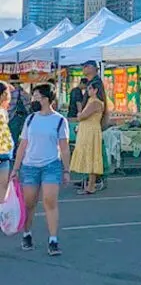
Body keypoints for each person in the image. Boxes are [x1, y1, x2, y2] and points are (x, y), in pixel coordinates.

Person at [10, 83, 70, 256]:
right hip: (30, 166)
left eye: (37, 97)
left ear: (47, 99)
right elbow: (23, 145)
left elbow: (64, 147)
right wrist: (16, 167)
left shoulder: (59, 120)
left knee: (50, 201)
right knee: (29, 203)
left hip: (51, 165)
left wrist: (66, 170)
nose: (34, 100)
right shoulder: (30, 119)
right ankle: (27, 234)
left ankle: (53, 240)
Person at [69, 80, 104, 194]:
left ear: (95, 90)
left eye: (90, 89)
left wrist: (80, 115)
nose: (88, 91)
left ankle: (91, 185)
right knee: (89, 155)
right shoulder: (91, 101)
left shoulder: (95, 102)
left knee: (91, 156)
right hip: (87, 130)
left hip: (91, 131)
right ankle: (89, 184)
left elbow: (82, 116)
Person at [7, 73, 29, 151]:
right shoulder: (24, 93)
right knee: (25, 139)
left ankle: (13, 155)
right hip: (24, 118)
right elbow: (28, 106)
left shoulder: (8, 93)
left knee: (13, 139)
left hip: (12, 118)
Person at [0, 81, 13, 202]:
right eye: (8, 93)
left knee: (3, 189)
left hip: (4, 155)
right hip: (4, 155)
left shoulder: (4, 111)